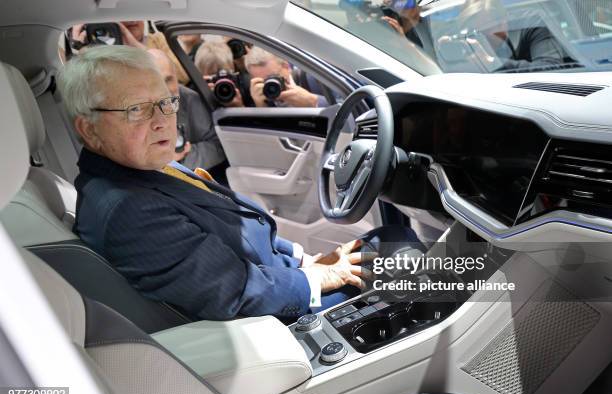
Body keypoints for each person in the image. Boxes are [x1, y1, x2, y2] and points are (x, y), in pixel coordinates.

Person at [58, 45, 423, 321]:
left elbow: (231, 232)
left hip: (278, 277)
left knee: (388, 245)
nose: (162, 121)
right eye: (136, 109)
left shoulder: (136, 169)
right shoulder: (128, 210)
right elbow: (236, 292)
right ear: (88, 128)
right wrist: (319, 278)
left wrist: (307, 259)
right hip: (275, 318)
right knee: (410, 254)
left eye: (166, 102)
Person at [147, 49, 227, 181]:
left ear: (176, 77)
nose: (166, 89)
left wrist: (181, 159)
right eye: (157, 82)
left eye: (169, 80)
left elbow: (217, 146)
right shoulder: (135, 107)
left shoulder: (190, 99)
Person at [448, 0, 571, 72]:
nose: (478, 38)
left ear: (503, 23)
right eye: (472, 33)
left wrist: (492, 63)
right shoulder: (471, 46)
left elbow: (552, 67)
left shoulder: (531, 24)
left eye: (484, 31)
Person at [245, 47, 329, 108]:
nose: (270, 84)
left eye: (273, 77)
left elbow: (339, 108)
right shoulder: (256, 96)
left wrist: (313, 101)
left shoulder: (313, 80)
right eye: (263, 81)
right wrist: (261, 108)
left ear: (286, 66)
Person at [194, 41, 248, 108]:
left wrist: (239, 106)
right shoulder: (193, 94)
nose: (222, 85)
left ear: (233, 72)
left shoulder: (244, 86)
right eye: (214, 78)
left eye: (225, 76)